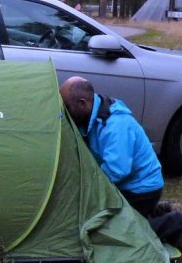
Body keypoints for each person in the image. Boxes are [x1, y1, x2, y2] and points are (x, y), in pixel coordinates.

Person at [59, 75, 164, 217]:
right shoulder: (90, 115)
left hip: (141, 190)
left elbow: (117, 171)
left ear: (82, 103)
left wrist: (86, 189)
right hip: (123, 185)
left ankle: (170, 221)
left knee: (108, 229)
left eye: (67, 107)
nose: (64, 112)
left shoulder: (115, 125)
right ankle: (150, 213)